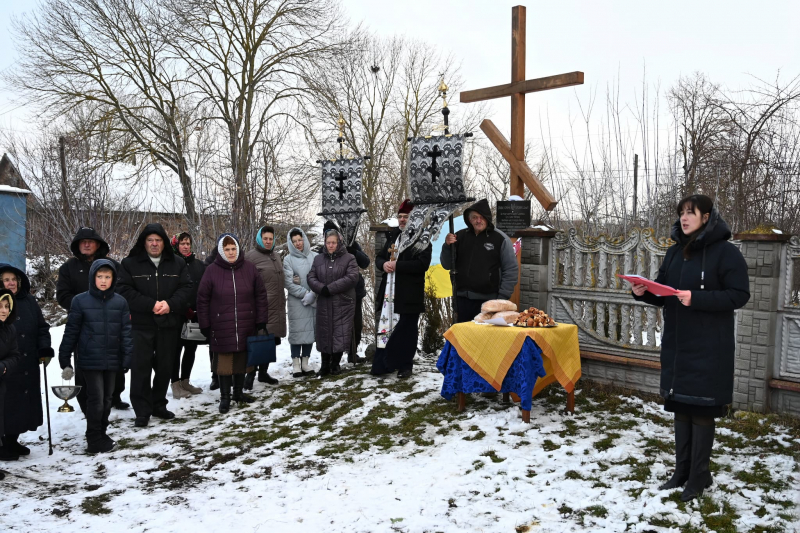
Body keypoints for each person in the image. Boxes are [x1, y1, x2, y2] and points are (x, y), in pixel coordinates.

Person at [630, 194, 749, 502]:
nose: (684, 218)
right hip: (678, 344)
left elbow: (739, 295)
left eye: (690, 213)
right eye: (681, 213)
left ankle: (699, 476)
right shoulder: (674, 253)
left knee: (701, 409)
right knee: (681, 408)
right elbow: (665, 293)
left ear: (706, 217)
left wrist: (697, 298)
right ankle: (682, 471)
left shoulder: (726, 254)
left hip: (710, 346)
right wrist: (643, 292)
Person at [117, 223, 192, 427]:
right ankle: (142, 410)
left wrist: (170, 304)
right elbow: (123, 290)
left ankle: (159, 404)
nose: (154, 244)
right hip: (141, 325)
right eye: (150, 240)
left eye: (158, 240)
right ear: (144, 242)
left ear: (164, 243)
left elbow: (186, 289)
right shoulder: (130, 263)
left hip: (168, 324)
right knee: (140, 368)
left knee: (164, 367)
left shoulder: (177, 263)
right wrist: (150, 305)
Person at [59, 260, 134, 453]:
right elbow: (71, 331)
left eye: (107, 277)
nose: (103, 280)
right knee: (96, 399)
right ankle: (93, 437)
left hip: (112, 359)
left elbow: (126, 332)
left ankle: (101, 432)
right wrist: (64, 357)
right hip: (89, 359)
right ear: (93, 277)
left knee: (108, 398)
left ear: (113, 279)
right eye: (99, 276)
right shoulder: (80, 301)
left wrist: (127, 356)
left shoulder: (120, 302)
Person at [56, 227, 128, 411]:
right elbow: (63, 295)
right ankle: (88, 400)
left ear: (98, 244)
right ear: (77, 245)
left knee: (114, 362)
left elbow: (121, 289)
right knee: (85, 364)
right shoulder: (68, 268)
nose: (87, 244)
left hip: (111, 321)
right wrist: (85, 306)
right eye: (83, 241)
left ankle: (115, 396)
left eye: (90, 241)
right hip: (83, 324)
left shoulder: (112, 266)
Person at [196, 234, 269, 413]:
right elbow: (202, 299)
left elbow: (260, 295)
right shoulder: (212, 271)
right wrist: (204, 323)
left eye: (233, 248)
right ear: (221, 251)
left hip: (246, 323)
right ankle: (225, 398)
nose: (231, 252)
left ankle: (238, 393)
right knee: (224, 364)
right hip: (221, 325)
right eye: (227, 249)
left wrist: (261, 320)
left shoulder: (249, 268)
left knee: (241, 361)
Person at [371, 200, 432, 379]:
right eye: (400, 216)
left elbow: (422, 264)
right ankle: (384, 364)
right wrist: (384, 265)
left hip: (409, 292)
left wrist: (398, 265)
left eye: (406, 216)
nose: (402, 220)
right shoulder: (394, 236)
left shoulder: (422, 236)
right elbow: (379, 258)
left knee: (406, 330)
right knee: (388, 327)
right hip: (390, 291)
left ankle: (405, 365)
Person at [0, 264, 52, 460]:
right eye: (6, 279)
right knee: (6, 404)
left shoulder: (29, 301)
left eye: (13, 279)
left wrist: (44, 348)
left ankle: (12, 440)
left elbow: (41, 327)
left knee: (22, 404)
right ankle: (2, 443)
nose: (10, 282)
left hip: (27, 361)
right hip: (5, 364)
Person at [441, 199, 519, 322]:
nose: (478, 220)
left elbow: (510, 270)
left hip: (489, 302)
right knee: (463, 338)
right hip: (461, 300)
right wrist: (447, 246)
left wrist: (501, 298)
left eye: (482, 217)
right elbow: (446, 265)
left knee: (485, 339)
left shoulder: (500, 239)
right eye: (475, 217)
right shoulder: (459, 237)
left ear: (487, 218)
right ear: (469, 219)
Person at [307, 229, 359, 377]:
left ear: (339, 243)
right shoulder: (318, 259)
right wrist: (321, 288)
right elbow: (311, 277)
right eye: (328, 242)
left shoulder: (349, 258)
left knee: (339, 332)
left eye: (333, 243)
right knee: (324, 331)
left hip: (342, 302)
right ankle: (324, 365)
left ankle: (335, 364)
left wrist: (330, 288)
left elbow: (352, 277)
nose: (330, 245)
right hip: (324, 301)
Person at [244, 225, 285, 388]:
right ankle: (250, 375)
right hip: (260, 306)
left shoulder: (276, 255)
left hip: (277, 306)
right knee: (257, 341)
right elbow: (246, 282)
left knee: (270, 340)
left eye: (270, 239)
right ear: (260, 239)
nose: (268, 242)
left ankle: (263, 373)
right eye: (265, 238)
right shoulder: (250, 257)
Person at [169, 233, 207, 399]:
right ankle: (175, 383)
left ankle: (185, 380)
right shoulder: (171, 264)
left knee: (191, 348)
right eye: (182, 243)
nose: (185, 246)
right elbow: (170, 290)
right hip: (177, 314)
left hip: (195, 314)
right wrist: (183, 307)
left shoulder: (199, 265)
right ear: (176, 246)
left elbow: (204, 288)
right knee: (175, 350)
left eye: (188, 243)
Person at [283, 227, 318, 378]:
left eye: (300, 240)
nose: (298, 243)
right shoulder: (288, 259)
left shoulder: (315, 257)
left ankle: (305, 361)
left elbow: (320, 277)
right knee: (297, 332)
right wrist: (305, 293)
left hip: (314, 301)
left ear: (304, 239)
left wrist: (314, 294)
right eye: (294, 241)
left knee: (310, 331)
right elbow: (289, 283)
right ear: (290, 243)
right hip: (297, 302)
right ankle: (296, 363)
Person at [0, 290, 23, 469]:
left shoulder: (10, 328)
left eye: (7, 306)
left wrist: (5, 366)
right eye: (0, 306)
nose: (4, 310)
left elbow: (14, 354)